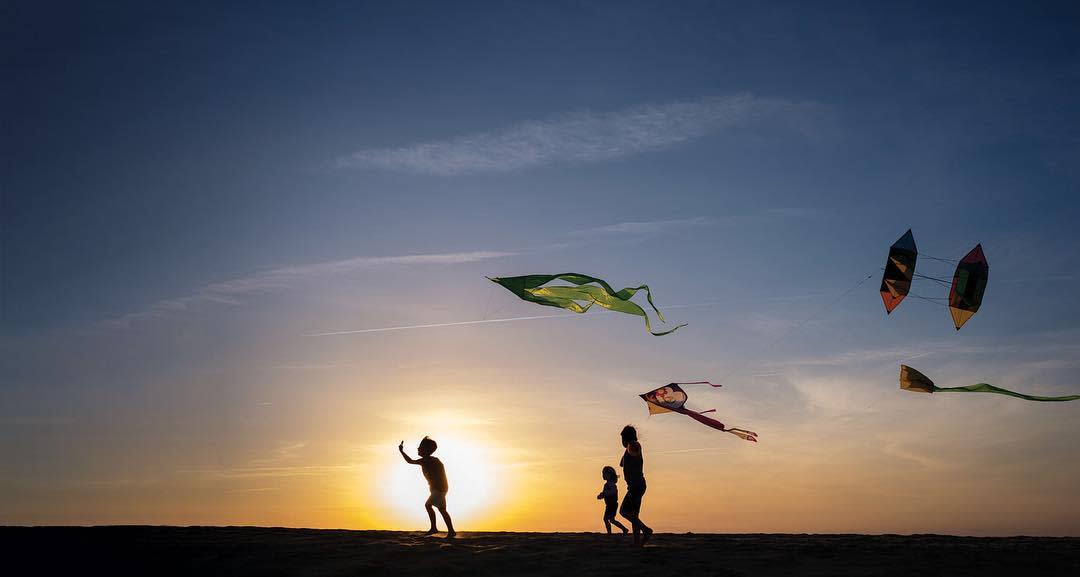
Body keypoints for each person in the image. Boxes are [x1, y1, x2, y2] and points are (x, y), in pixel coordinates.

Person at [399, 437, 456, 538]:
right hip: (438, 489)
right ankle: (450, 531)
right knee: (442, 509)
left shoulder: (431, 461)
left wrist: (401, 451)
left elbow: (410, 461)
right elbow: (410, 461)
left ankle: (435, 528)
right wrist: (402, 451)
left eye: (420, 447)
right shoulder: (427, 460)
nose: (418, 448)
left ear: (426, 450)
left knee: (428, 505)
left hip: (439, 489)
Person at [619, 425, 653, 546]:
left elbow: (634, 450)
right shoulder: (628, 449)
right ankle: (637, 542)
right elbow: (621, 464)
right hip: (638, 485)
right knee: (634, 515)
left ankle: (645, 530)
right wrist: (625, 456)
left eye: (622, 439)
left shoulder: (634, 445)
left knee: (623, 511)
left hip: (636, 486)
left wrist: (629, 449)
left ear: (626, 438)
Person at [597, 466, 629, 535]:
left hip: (612, 504)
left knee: (606, 519)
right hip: (610, 504)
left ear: (609, 475)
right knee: (611, 520)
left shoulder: (610, 484)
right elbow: (608, 493)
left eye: (604, 473)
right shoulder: (608, 484)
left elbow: (612, 492)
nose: (603, 475)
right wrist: (602, 495)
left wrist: (603, 494)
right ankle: (624, 529)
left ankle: (610, 533)